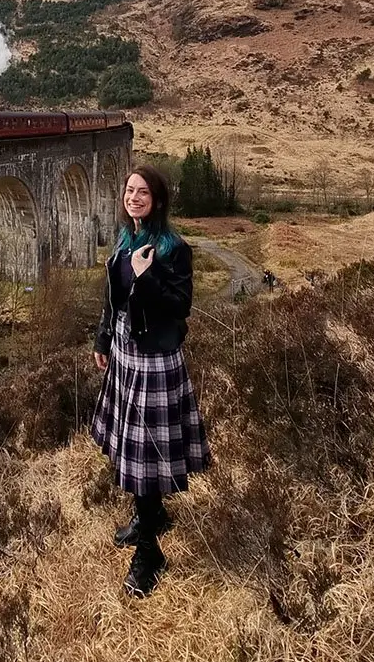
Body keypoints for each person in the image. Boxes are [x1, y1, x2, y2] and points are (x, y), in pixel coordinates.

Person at [91, 164, 211, 597]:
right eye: (129, 190)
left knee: (143, 457)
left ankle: (150, 552)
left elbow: (180, 306)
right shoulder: (126, 239)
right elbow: (114, 299)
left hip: (155, 359)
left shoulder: (173, 247)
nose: (134, 197)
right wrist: (103, 338)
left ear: (157, 200)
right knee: (132, 445)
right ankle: (152, 515)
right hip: (124, 350)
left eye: (143, 192)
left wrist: (150, 275)